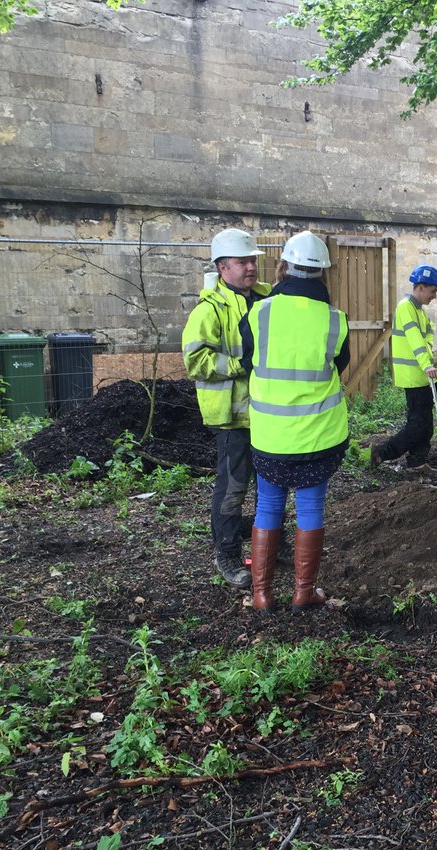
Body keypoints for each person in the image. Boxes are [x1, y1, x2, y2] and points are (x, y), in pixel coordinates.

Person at [239, 231, 350, 612]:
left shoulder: (259, 313)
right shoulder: (336, 320)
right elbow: (339, 365)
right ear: (323, 274)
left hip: (271, 437)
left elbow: (245, 361)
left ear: (283, 266)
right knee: (310, 508)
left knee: (267, 506)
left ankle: (261, 595)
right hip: (319, 437)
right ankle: (304, 592)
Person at [182, 228, 271, 589]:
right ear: (222, 267)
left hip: (269, 412)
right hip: (233, 418)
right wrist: (239, 365)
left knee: (270, 486)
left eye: (253, 260)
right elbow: (195, 360)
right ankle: (227, 554)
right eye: (242, 262)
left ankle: (267, 549)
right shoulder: (210, 310)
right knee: (233, 487)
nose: (251, 267)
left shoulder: (268, 298)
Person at [371, 264, 437, 470]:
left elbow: (428, 336)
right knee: (417, 426)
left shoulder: (420, 312)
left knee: (426, 426)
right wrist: (426, 364)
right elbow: (414, 340)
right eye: (433, 291)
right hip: (414, 376)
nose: (434, 296)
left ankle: (417, 461)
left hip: (424, 376)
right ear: (420, 287)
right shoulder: (406, 308)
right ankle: (382, 453)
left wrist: (427, 364)